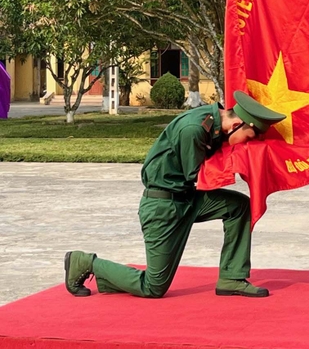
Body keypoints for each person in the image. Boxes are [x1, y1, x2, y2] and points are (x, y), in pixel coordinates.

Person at [64, 90, 286, 299]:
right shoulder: (194, 129)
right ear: (237, 124)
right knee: (153, 286)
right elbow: (200, 177)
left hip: (188, 197)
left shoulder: (214, 122)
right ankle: (84, 262)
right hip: (164, 206)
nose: (249, 144)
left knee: (239, 206)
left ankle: (232, 277)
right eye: (249, 138)